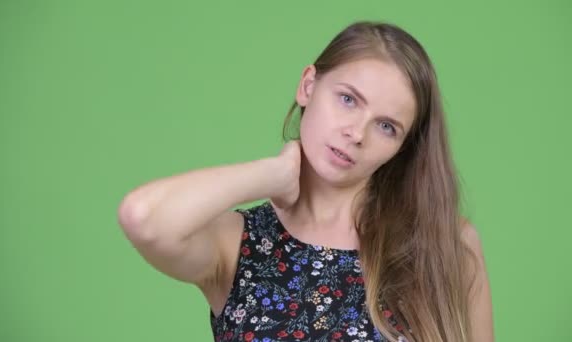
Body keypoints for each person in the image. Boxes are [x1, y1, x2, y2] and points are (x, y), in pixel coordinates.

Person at [117, 20, 494, 342]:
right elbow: (143, 217)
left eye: (386, 126)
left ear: (402, 147)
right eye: (348, 99)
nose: (357, 133)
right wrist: (272, 175)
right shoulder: (238, 244)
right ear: (308, 86)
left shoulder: (443, 244)